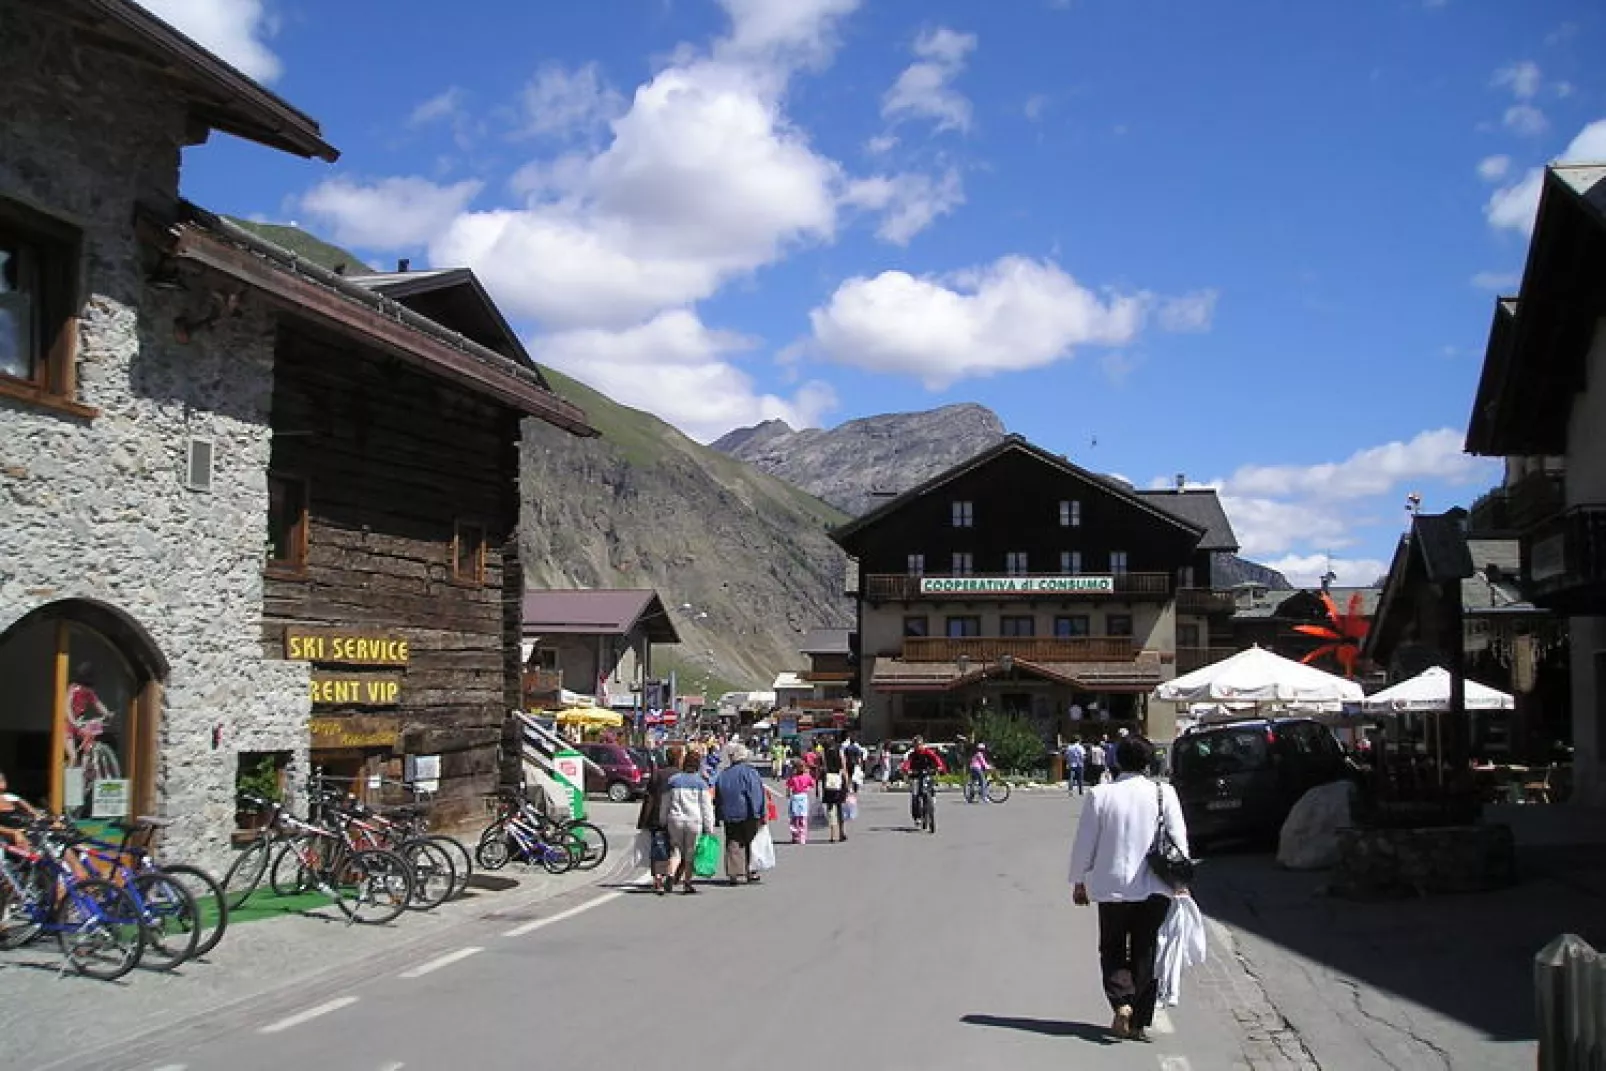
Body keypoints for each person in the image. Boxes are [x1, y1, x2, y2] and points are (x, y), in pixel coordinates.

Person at [1069, 735, 1190, 1043]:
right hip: (1155, 886)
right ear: (1149, 762)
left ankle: (1121, 1001)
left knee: (1111, 947)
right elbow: (1178, 839)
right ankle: (1138, 1022)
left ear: (1116, 761)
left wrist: (1079, 881)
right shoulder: (1165, 793)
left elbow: (1085, 843)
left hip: (1112, 887)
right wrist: (1181, 883)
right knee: (1146, 949)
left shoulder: (1101, 794)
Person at [659, 751, 714, 895]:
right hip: (694, 821)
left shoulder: (673, 780)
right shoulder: (701, 783)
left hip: (675, 819)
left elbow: (665, 802)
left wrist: (662, 820)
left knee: (675, 850)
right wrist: (709, 827)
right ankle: (687, 883)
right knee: (690, 852)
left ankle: (670, 875)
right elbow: (706, 807)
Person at [714, 744, 768, 885]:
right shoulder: (750, 772)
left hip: (729, 813)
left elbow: (718, 796)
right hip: (748, 812)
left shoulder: (724, 774)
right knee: (751, 840)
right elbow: (755, 793)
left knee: (733, 841)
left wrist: (718, 814)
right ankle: (751, 870)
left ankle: (733, 873)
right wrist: (759, 812)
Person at [636, 754, 676, 895]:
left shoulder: (658, 775)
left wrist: (643, 821)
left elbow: (649, 797)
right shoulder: (680, 776)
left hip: (657, 815)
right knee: (673, 848)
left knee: (658, 847)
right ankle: (671, 874)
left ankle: (658, 880)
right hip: (674, 815)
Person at [901, 736, 947, 824]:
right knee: (915, 796)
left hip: (928, 773)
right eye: (916, 745)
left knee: (930, 787)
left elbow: (937, 760)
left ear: (923, 744)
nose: (918, 747)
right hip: (916, 775)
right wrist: (906, 770)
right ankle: (917, 817)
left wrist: (941, 768)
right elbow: (907, 764)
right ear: (914, 746)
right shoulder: (912, 755)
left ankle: (932, 801)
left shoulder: (928, 753)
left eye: (919, 744)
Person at [820, 742, 849, 841]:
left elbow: (822, 769)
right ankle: (841, 832)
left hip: (828, 782)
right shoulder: (840, 752)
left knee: (830, 808)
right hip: (839, 781)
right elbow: (844, 768)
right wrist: (847, 783)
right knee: (840, 808)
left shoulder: (824, 754)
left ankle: (832, 834)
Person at [785, 760, 815, 844]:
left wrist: (788, 794)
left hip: (795, 796)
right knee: (803, 817)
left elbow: (788, 786)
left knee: (794, 818)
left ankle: (795, 836)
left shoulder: (793, 777)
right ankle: (802, 837)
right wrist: (807, 788)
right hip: (803, 796)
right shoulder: (807, 777)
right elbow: (812, 784)